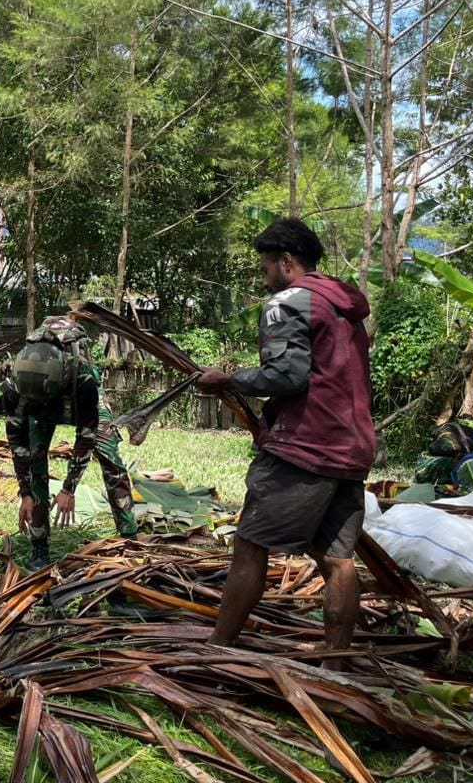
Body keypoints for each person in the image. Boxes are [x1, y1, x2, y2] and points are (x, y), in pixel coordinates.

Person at [196, 218, 373, 654]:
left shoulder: (288, 302)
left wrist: (228, 379)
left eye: (265, 267)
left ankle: (218, 647)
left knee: (250, 545)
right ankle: (335, 664)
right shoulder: (343, 303)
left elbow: (287, 375)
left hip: (304, 447)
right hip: (352, 446)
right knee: (337, 560)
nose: (265, 277)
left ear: (286, 261)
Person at [4, 314, 136, 569]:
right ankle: (39, 547)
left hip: (78, 403)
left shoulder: (84, 382)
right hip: (39, 409)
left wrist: (68, 489)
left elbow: (85, 438)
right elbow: (18, 445)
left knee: (112, 464)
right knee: (35, 466)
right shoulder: (14, 387)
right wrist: (26, 493)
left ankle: (129, 539)